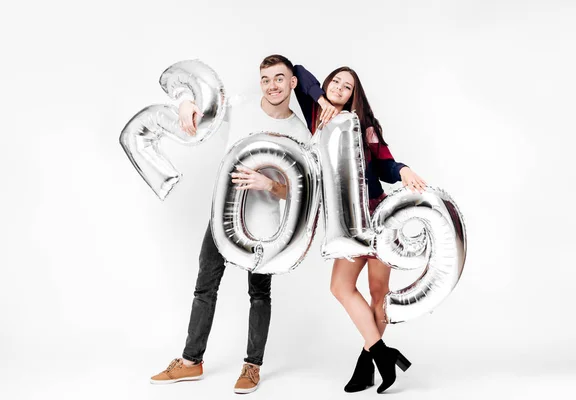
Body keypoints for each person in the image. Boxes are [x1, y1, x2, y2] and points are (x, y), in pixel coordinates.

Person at [149, 55, 311, 394]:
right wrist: (185, 102)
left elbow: (302, 190)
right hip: (223, 217)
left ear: (292, 82)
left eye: (279, 78)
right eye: (266, 79)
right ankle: (191, 362)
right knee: (204, 286)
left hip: (265, 225)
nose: (272, 85)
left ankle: (252, 366)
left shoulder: (299, 132)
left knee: (259, 294)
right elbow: (201, 105)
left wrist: (270, 185)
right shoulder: (241, 107)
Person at [293, 64, 427, 393]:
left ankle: (367, 363)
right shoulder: (316, 115)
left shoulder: (365, 126)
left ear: (355, 94)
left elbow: (384, 164)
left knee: (378, 293)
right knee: (341, 287)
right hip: (347, 223)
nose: (339, 87)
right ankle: (383, 355)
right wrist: (321, 98)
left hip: (376, 217)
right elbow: (297, 70)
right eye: (335, 81)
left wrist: (404, 168)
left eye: (347, 86)